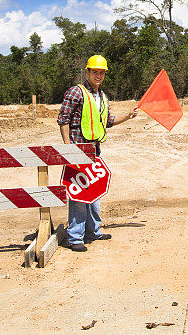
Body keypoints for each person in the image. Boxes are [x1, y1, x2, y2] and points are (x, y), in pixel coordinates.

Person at [57, 54, 138, 252]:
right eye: (95, 72)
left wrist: (128, 116)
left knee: (95, 191)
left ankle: (93, 230)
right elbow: (63, 119)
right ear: (87, 72)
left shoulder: (102, 96)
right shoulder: (76, 92)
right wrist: (68, 146)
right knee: (78, 193)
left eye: (102, 73)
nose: (99, 76)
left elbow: (108, 121)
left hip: (94, 151)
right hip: (77, 150)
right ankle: (75, 236)